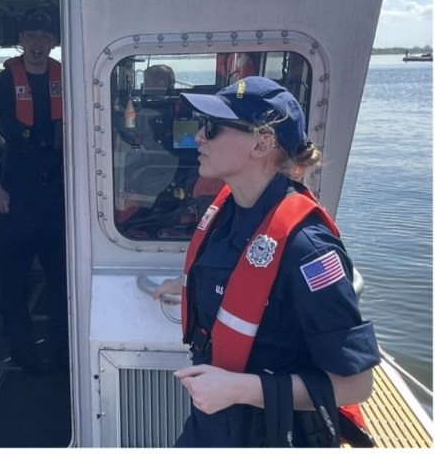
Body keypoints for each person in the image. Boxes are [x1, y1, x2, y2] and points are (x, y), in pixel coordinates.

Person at [152, 76, 379, 447]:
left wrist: (240, 389)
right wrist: (184, 286)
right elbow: (240, 282)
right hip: (211, 426)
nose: (199, 137)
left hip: (271, 434)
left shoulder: (308, 250)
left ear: (262, 142)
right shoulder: (229, 213)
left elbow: (357, 383)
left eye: (212, 127)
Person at [0, 8, 67, 376]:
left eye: (45, 36)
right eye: (31, 35)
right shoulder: (3, 82)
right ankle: (26, 356)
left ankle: (64, 355)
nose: (38, 42)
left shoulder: (67, 76)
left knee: (61, 280)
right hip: (16, 194)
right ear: (21, 40)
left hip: (58, 195)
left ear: (55, 42)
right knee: (14, 280)